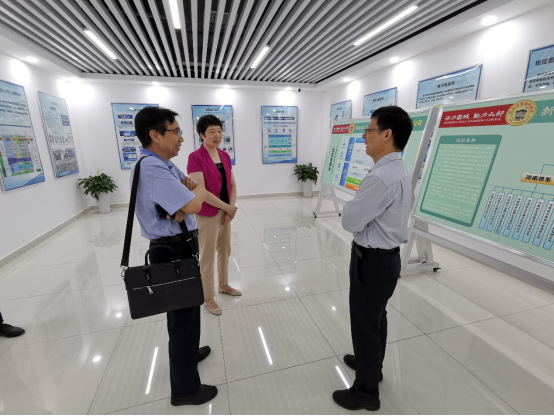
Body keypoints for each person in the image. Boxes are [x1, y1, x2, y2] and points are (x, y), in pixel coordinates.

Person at [132, 107, 217, 406]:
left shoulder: (163, 164)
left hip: (177, 245)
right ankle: (185, 390)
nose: (181, 138)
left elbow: (195, 191)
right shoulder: (153, 169)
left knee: (187, 311)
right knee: (183, 319)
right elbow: (195, 203)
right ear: (155, 135)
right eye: (176, 132)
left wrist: (186, 202)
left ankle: (189, 353)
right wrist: (186, 203)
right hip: (172, 250)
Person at [333, 106, 414, 412]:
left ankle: (366, 392)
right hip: (387, 261)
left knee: (364, 324)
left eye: (369, 130)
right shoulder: (399, 170)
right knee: (376, 318)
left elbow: (350, 220)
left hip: (372, 262)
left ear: (387, 135)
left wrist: (350, 208)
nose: (364, 136)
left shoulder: (381, 178)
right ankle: (373, 367)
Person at [188, 115, 240, 316]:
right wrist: (227, 207)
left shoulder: (224, 155)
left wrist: (230, 209)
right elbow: (201, 191)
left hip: (225, 211)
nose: (217, 135)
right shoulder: (195, 157)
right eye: (212, 132)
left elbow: (232, 185)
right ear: (202, 135)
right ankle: (208, 295)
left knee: (225, 249)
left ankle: (223, 284)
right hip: (208, 213)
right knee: (208, 254)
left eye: (219, 131)